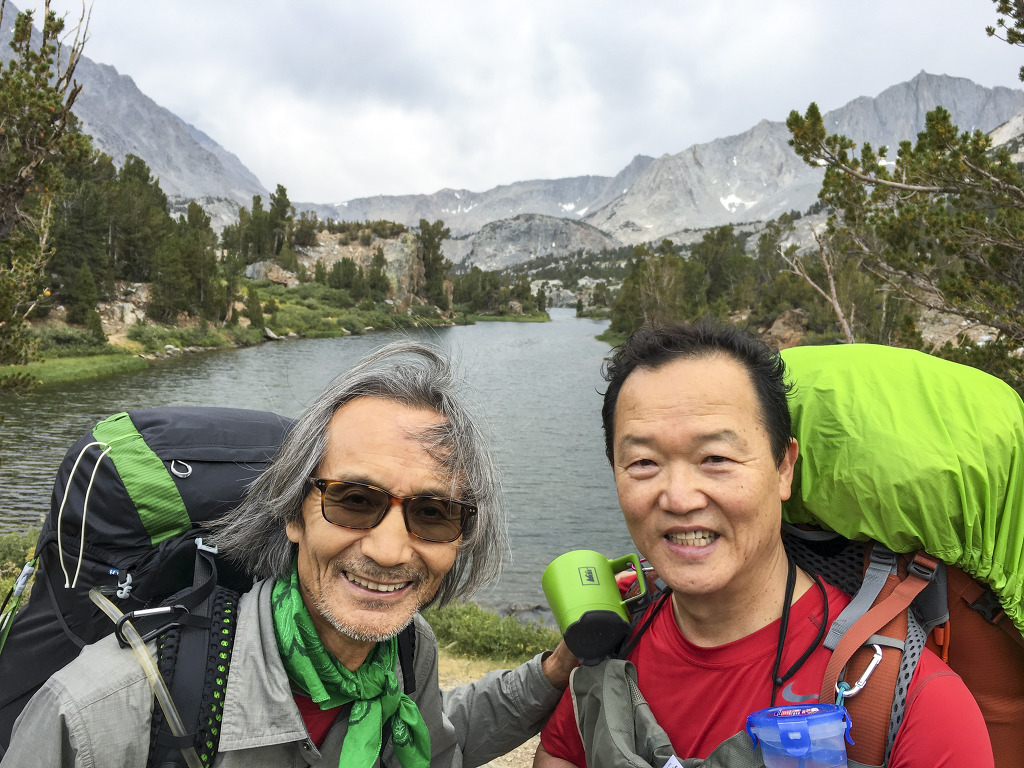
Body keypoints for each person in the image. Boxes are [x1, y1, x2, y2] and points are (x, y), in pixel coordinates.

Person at [3, 340, 576, 768]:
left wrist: (553, 672)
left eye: (433, 512)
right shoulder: (103, 713)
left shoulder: (404, 651)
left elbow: (434, 738)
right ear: (293, 514)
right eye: (354, 500)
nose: (388, 550)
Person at [535, 320, 992, 768]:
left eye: (716, 458)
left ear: (783, 468)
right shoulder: (614, 641)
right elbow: (561, 754)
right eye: (643, 462)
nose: (678, 498)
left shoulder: (914, 704)